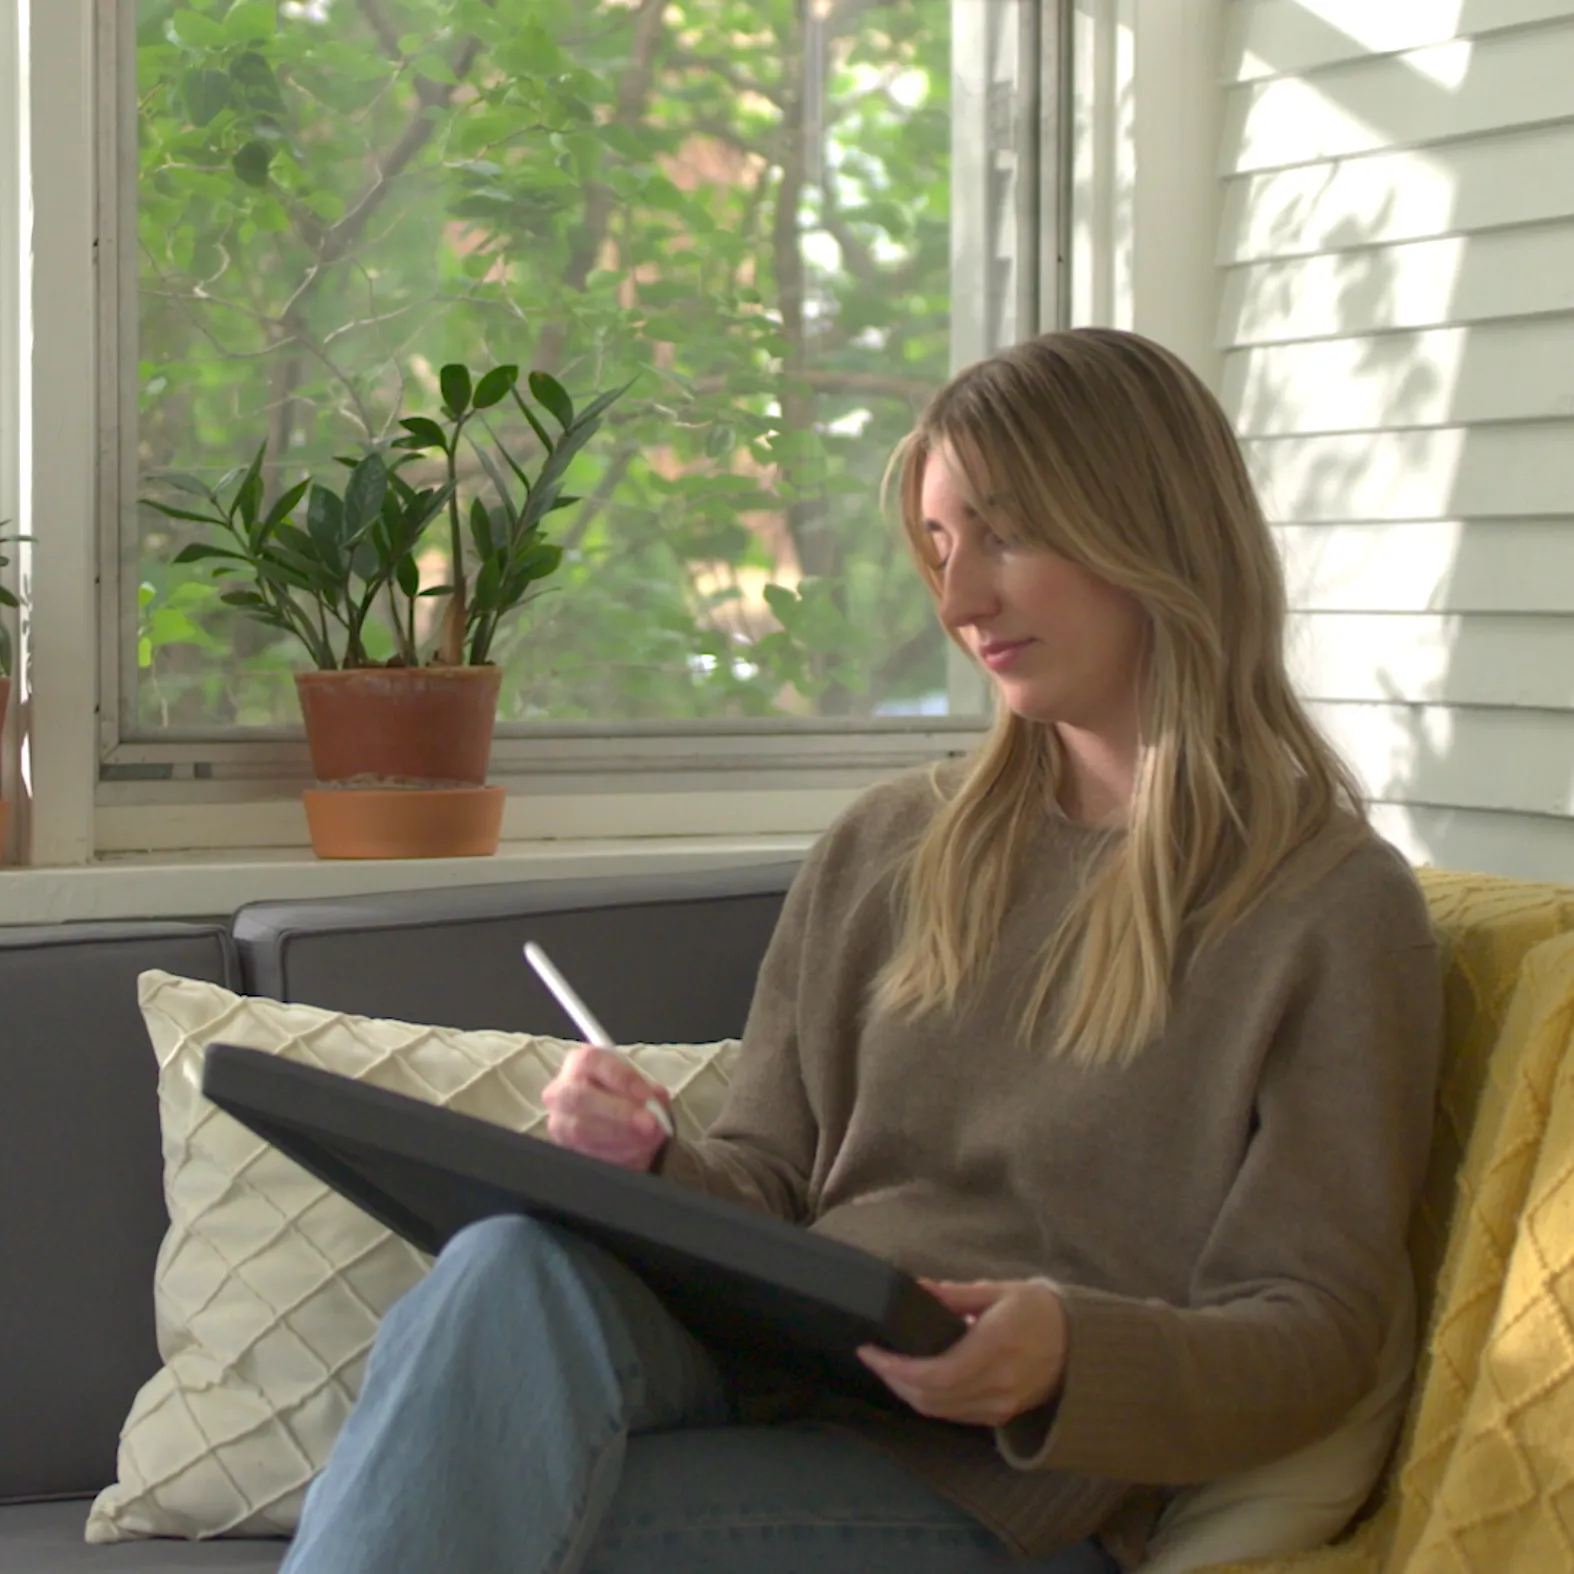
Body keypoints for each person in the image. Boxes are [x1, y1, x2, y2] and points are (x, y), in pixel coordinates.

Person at [277, 328, 1443, 1574]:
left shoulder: (1323, 905)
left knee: (478, 1511)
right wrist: (652, 1158)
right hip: (777, 1377)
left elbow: (1315, 1333)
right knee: (508, 1259)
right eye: (939, 548)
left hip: (999, 1489)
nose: (957, 600)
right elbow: (769, 1180)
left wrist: (1067, 1350)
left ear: (1145, 529)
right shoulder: (889, 843)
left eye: (1000, 536)